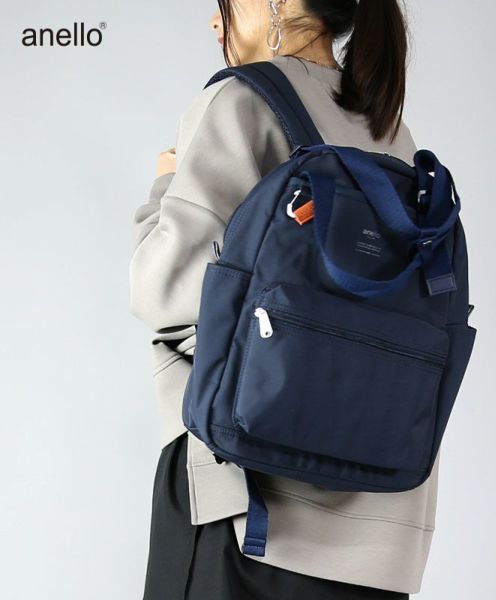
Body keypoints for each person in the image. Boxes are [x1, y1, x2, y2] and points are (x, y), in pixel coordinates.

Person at [130, 1, 441, 598]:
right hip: (380, 531)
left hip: (249, 510)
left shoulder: (241, 100)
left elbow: (164, 291)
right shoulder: (388, 130)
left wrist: (165, 186)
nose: (215, 23)